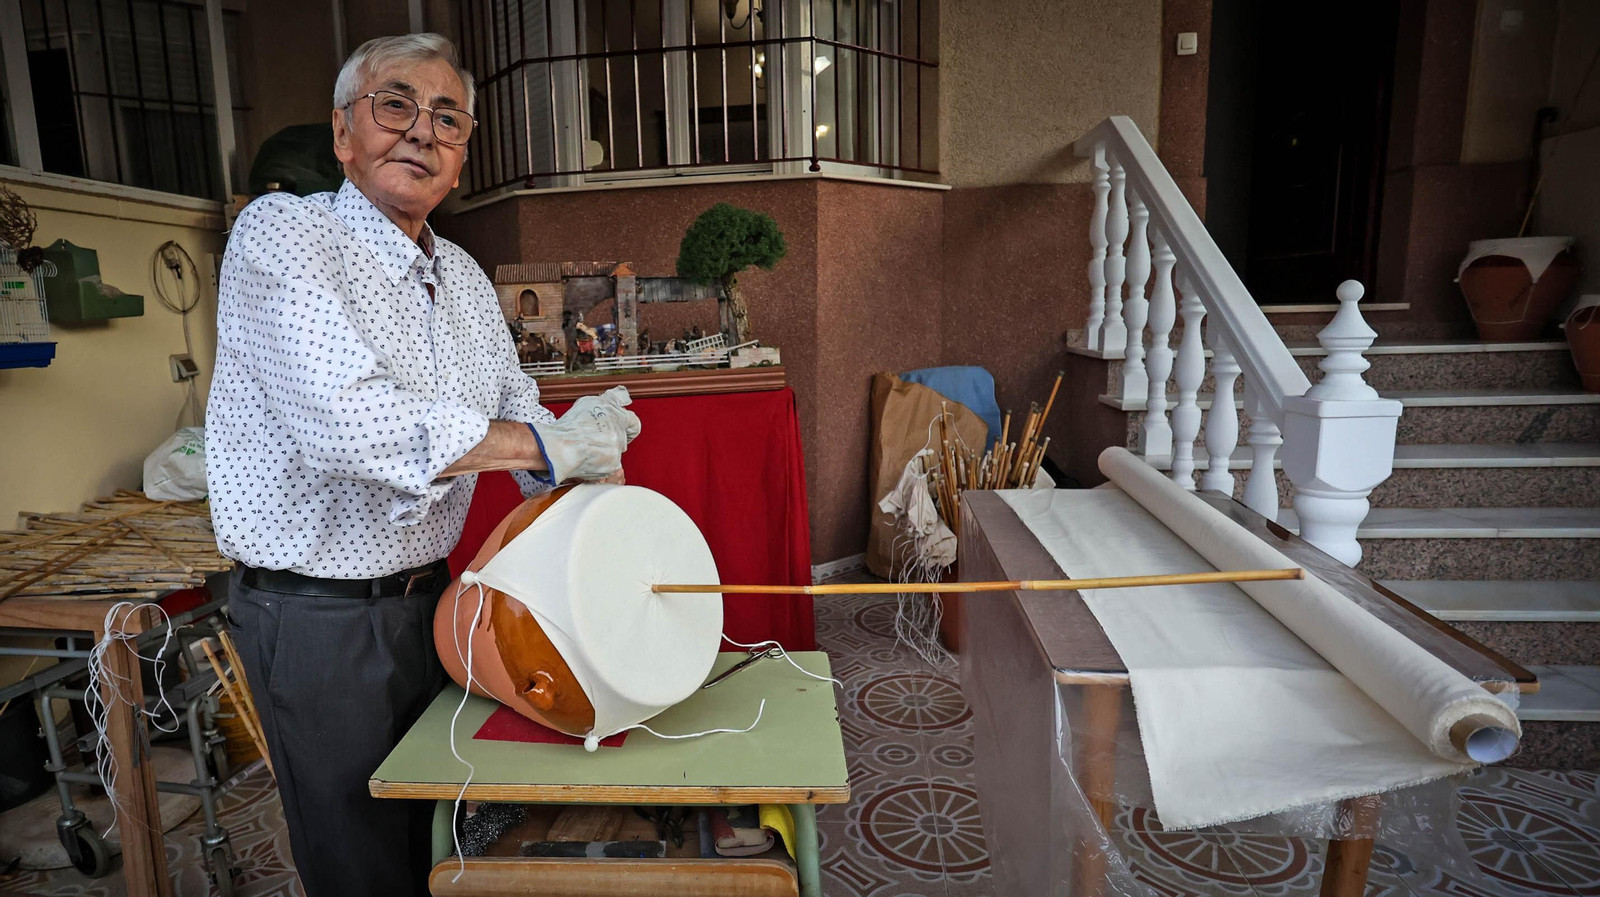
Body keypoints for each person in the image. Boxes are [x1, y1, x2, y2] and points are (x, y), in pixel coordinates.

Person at [204, 33, 640, 897]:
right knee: (361, 859)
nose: (421, 132)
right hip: (317, 618)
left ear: (462, 154)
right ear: (343, 134)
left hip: (433, 605)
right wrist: (541, 445)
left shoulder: (467, 278)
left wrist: (581, 451)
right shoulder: (286, 232)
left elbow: (518, 417)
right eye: (394, 105)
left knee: (446, 835)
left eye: (447, 118)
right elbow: (349, 421)